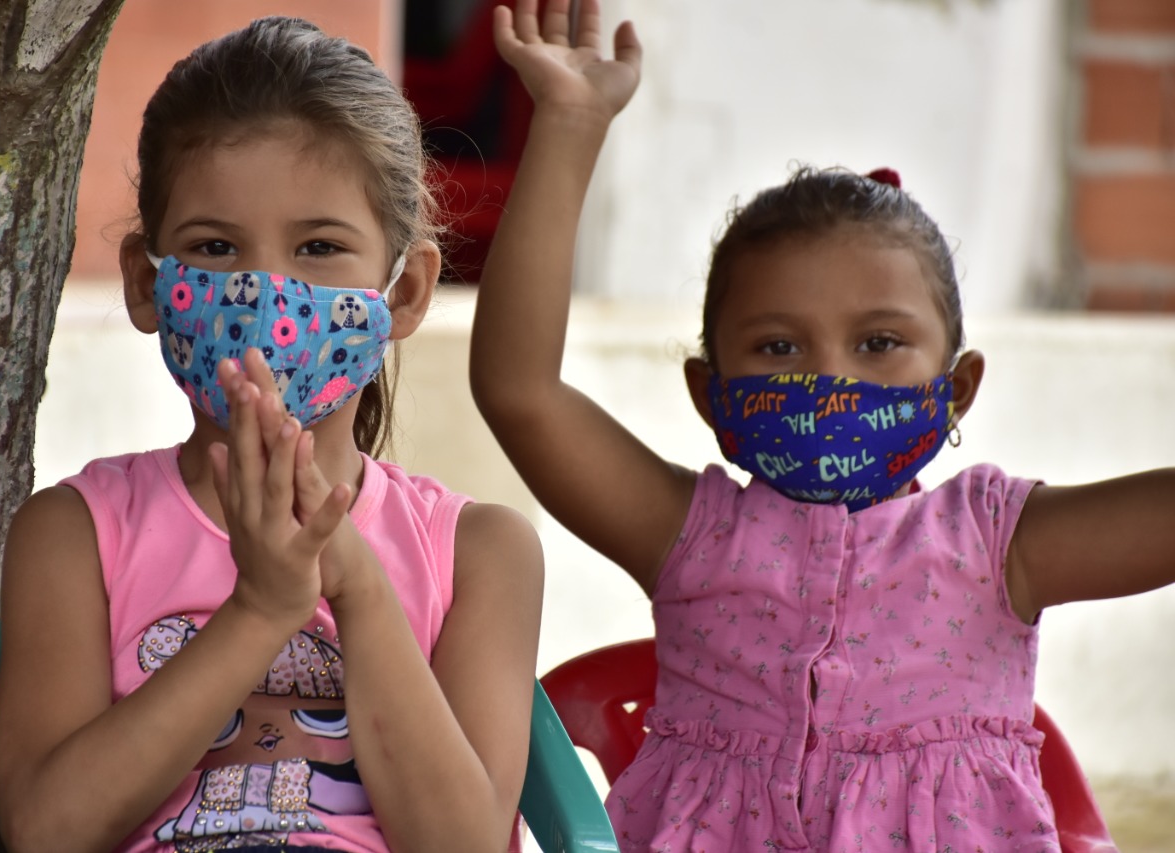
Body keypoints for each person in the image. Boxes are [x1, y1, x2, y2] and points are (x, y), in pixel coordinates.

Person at [471, 1, 1174, 850]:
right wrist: (571, 125)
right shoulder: (688, 536)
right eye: (777, 346)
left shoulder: (1001, 542)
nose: (830, 379)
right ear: (709, 394)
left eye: (879, 341)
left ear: (958, 391)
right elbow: (519, 390)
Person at [0, 16, 543, 853]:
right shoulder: (75, 535)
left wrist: (353, 585)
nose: (265, 296)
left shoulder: (479, 554)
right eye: (215, 248)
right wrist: (257, 612)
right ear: (149, 282)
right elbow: (44, 832)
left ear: (404, 294)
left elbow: (465, 841)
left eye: (319, 247)